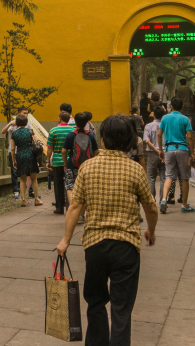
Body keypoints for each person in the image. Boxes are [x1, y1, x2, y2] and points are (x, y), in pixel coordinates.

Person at [56, 114, 158, 346]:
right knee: (122, 308)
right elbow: (150, 207)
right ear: (129, 142)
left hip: (95, 245)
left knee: (96, 302)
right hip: (127, 246)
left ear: (102, 140)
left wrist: (65, 240)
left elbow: (75, 207)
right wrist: (151, 231)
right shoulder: (135, 170)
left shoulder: (87, 168)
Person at [157, 97, 195, 214]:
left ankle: (164, 199)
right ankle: (184, 205)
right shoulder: (185, 119)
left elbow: (159, 134)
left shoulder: (165, 118)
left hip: (169, 149)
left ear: (171, 106)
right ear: (182, 107)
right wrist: (192, 152)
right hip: (182, 149)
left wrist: (160, 149)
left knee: (169, 176)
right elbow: (189, 136)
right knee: (184, 178)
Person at [62, 111, 98, 216]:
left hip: (72, 165)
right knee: (85, 189)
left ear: (75, 122)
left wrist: (65, 164)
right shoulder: (91, 136)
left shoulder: (70, 135)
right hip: (87, 166)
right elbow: (95, 152)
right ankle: (82, 214)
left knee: (70, 186)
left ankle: (73, 209)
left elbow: (64, 151)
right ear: (87, 122)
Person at [10, 115, 43, 206]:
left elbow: (13, 149)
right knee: (34, 178)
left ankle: (23, 200)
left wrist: (14, 160)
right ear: (26, 122)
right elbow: (36, 143)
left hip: (20, 155)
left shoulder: (14, 134)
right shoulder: (30, 132)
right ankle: (36, 199)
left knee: (22, 179)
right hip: (30, 155)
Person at [47, 110, 74, 214]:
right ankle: (69, 206)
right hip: (69, 161)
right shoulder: (72, 131)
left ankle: (59, 207)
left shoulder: (53, 131)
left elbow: (49, 148)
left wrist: (47, 160)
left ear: (59, 118)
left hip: (57, 161)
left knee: (58, 185)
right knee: (69, 184)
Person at [1, 107, 30, 199]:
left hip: (24, 151)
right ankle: (16, 190)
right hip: (13, 151)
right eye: (24, 113)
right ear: (19, 113)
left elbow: (32, 134)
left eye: (27, 113)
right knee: (14, 171)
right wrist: (10, 125)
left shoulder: (27, 124)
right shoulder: (12, 123)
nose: (26, 115)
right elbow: (3, 132)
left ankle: (30, 190)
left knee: (27, 171)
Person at [143, 105, 166, 203]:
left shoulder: (148, 126)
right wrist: (161, 151)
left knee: (151, 178)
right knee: (163, 178)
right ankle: (163, 200)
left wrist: (157, 151)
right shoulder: (165, 125)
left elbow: (147, 141)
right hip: (165, 153)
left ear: (153, 114)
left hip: (152, 153)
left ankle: (152, 200)